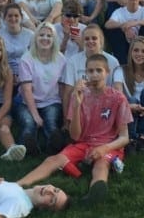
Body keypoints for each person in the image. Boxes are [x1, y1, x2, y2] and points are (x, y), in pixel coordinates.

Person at [17, 54, 131, 206]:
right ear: (86, 73)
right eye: (90, 71)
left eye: (99, 70)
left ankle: (95, 193)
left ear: (107, 72)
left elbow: (124, 137)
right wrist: (77, 105)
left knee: (101, 165)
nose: (94, 75)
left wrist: (104, 148)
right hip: (84, 143)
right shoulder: (79, 95)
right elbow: (75, 136)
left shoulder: (118, 98)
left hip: (108, 145)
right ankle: (17, 185)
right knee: (53, 159)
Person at [13, 23, 67, 156]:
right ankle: (28, 145)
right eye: (41, 35)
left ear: (54, 39)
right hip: (26, 102)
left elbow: (62, 87)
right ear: (35, 38)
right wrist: (36, 115)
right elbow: (26, 90)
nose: (45, 38)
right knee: (28, 123)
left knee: (51, 122)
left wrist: (65, 112)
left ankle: (54, 143)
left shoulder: (61, 59)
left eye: (49, 36)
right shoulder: (26, 59)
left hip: (51, 101)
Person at [61, 24, 119, 114]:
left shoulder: (113, 61)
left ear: (101, 41)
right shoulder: (73, 61)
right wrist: (66, 118)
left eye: (94, 38)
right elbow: (68, 92)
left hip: (105, 105)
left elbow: (116, 91)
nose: (90, 41)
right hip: (81, 106)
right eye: (87, 39)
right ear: (83, 41)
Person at [0, 3, 34, 82]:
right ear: (4, 18)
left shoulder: (30, 35)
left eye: (16, 16)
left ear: (21, 17)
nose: (13, 18)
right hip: (4, 73)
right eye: (10, 16)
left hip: (26, 73)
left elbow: (34, 58)